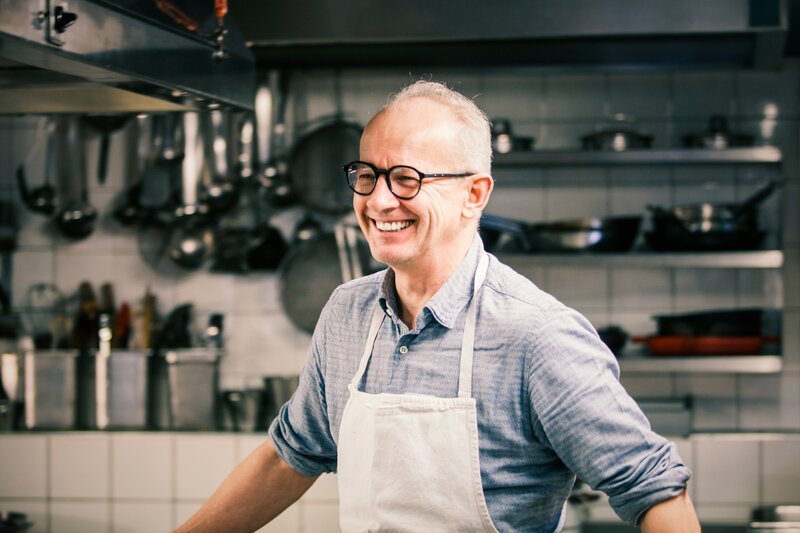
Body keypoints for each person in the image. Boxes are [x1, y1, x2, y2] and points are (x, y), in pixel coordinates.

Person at [177, 80, 700, 533]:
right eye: (367, 175)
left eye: (407, 178)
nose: (379, 201)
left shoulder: (537, 336)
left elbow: (654, 490)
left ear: (475, 194)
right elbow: (290, 455)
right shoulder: (346, 313)